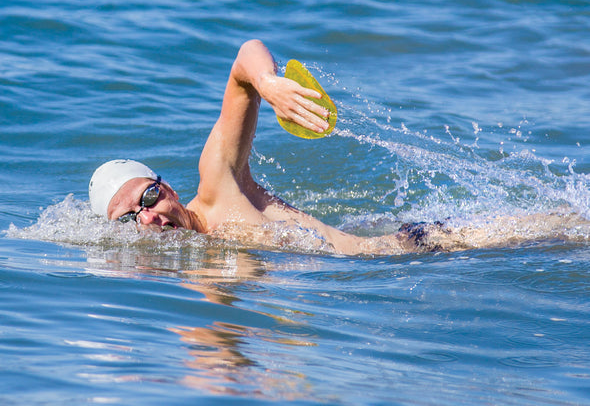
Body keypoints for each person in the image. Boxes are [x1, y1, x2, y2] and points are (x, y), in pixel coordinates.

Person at [89, 40, 586, 256]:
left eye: (148, 198)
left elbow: (244, 58)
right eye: (130, 218)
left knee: (567, 232)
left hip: (418, 247)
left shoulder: (219, 187)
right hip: (386, 282)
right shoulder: (192, 270)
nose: (148, 218)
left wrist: (269, 84)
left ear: (166, 188)